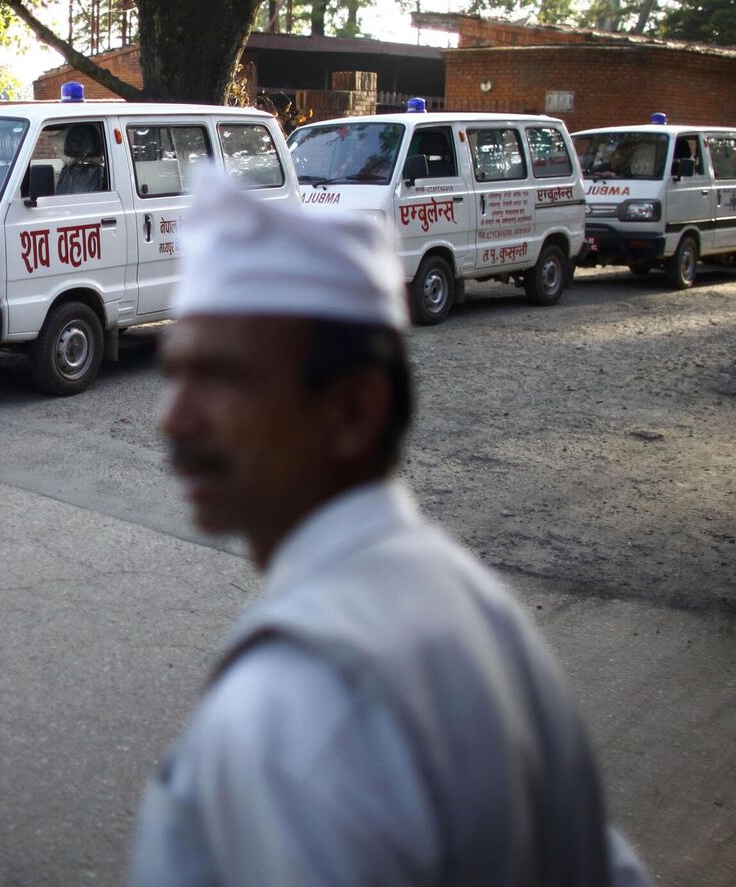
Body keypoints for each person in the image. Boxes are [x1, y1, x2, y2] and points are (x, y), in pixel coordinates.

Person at [130, 175, 649, 886]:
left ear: (352, 411)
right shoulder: (476, 605)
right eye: (174, 374)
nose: (172, 419)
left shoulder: (294, 715)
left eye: (219, 378)